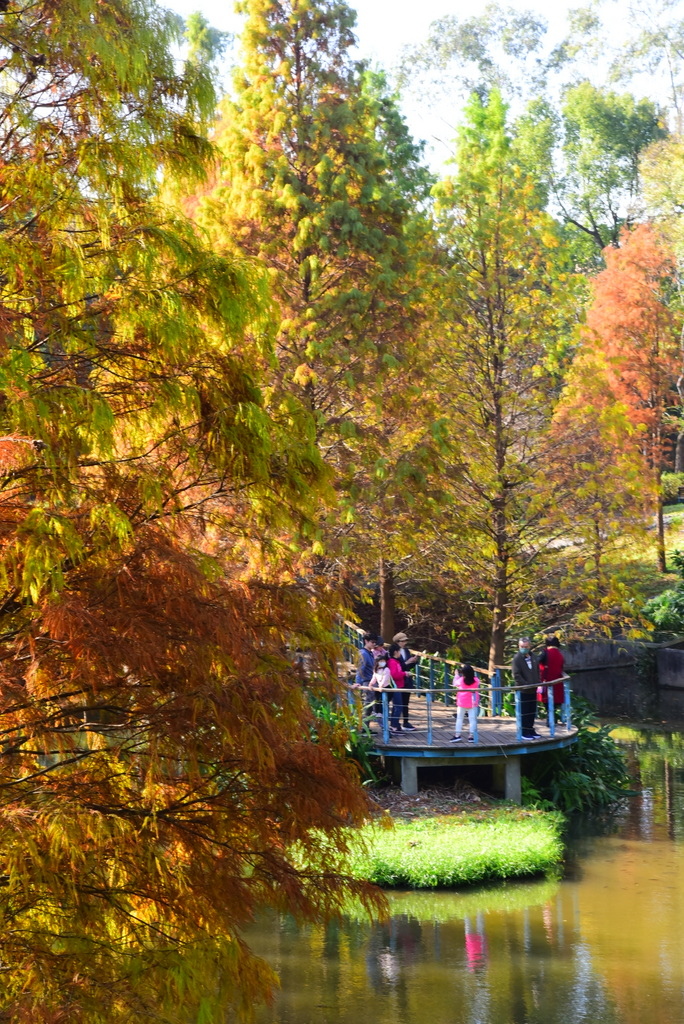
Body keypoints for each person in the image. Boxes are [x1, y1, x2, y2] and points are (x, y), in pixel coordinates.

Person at [511, 637, 541, 740]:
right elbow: (516, 675)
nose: (524, 648)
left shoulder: (533, 657)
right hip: (523, 690)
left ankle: (530, 729)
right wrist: (525, 684)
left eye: (526, 647)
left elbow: (537, 670)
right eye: (521, 647)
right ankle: (524, 731)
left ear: (530, 646)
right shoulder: (517, 659)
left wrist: (538, 682)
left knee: (532, 710)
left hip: (533, 689)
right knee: (524, 711)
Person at [387, 643, 416, 731]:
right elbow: (394, 674)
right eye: (399, 651)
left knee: (398, 706)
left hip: (400, 686)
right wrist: (405, 673)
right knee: (397, 706)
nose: (400, 653)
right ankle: (394, 726)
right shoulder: (392, 662)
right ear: (396, 652)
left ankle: (395, 725)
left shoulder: (397, 661)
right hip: (396, 687)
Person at [450, 663, 480, 742]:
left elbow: (454, 683)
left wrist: (456, 675)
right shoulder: (476, 680)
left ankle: (457, 735)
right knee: (472, 720)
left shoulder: (461, 680)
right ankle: (471, 736)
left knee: (459, 719)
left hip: (462, 702)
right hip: (473, 702)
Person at [370, 654, 401, 732]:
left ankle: (383, 717)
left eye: (383, 661)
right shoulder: (376, 670)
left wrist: (381, 685)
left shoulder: (386, 669)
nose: (382, 662)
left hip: (387, 688)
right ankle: (378, 713)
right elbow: (374, 678)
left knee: (384, 702)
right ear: (377, 662)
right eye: (380, 661)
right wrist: (371, 684)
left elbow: (385, 679)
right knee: (377, 700)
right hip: (380, 688)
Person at [538, 635, 565, 721]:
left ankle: (550, 720)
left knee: (547, 701)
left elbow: (537, 661)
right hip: (558, 681)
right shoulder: (560, 654)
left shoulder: (545, 653)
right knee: (555, 701)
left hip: (547, 680)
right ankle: (553, 719)